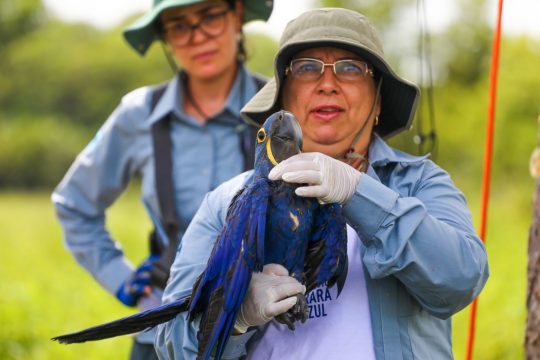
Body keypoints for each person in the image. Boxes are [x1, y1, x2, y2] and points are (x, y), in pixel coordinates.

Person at [154, 7, 489, 359]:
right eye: (306, 67)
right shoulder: (229, 201)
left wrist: (359, 193)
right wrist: (234, 318)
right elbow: (173, 346)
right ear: (282, 98)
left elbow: (460, 281)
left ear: (378, 101)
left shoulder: (421, 183)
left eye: (350, 68)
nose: (327, 84)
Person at [51, 0, 272, 359]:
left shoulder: (279, 107)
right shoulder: (139, 114)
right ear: (165, 38)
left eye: (211, 17)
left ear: (237, 16)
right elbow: (74, 204)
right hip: (161, 336)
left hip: (260, 336)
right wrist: (120, 278)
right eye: (179, 25)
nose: (197, 37)